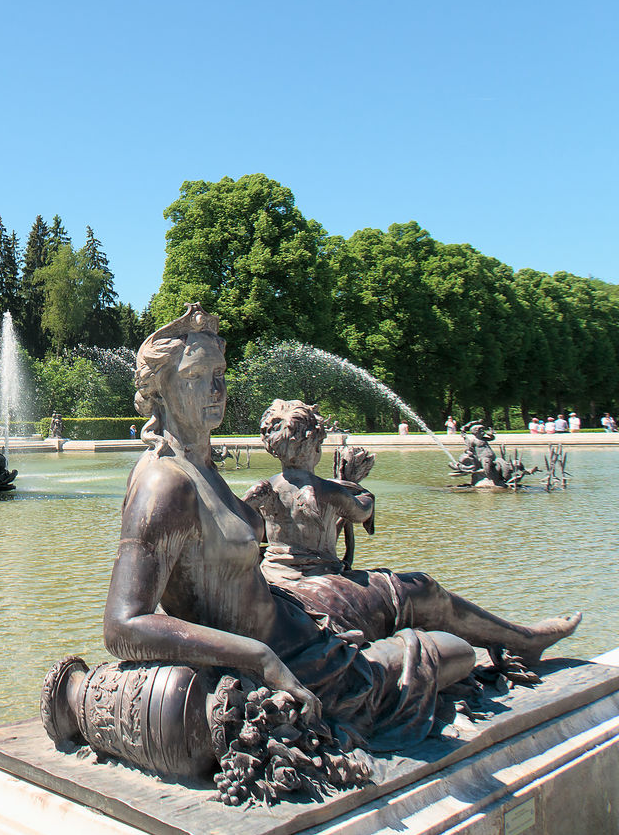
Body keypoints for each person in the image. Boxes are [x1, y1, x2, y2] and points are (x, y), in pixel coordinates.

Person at [105, 303, 478, 750]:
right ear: (160, 391)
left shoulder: (199, 463)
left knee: (415, 591)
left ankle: (526, 639)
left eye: (220, 372)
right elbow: (123, 625)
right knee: (456, 650)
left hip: (298, 617)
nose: (216, 389)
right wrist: (259, 658)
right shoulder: (164, 482)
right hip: (296, 660)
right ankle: (518, 642)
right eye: (195, 377)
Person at [250, 399, 577, 656]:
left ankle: (517, 639)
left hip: (274, 577)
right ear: (311, 443)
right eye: (320, 444)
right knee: (421, 586)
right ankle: (523, 640)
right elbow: (362, 513)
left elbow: (249, 528)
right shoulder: (327, 490)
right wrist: (356, 487)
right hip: (320, 582)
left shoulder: (265, 487)